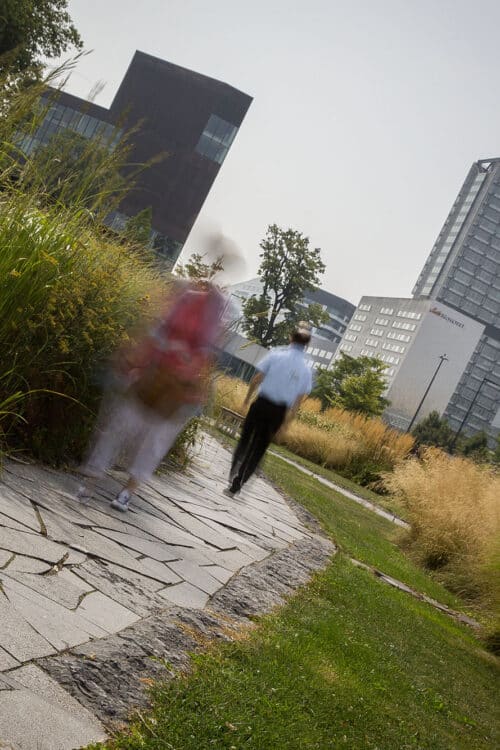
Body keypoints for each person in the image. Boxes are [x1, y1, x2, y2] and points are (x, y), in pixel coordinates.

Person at [77, 281, 225, 512]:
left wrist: (142, 358)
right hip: (167, 381)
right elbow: (194, 353)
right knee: (148, 439)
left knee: (126, 429)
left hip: (164, 380)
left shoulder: (199, 305)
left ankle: (95, 483)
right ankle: (119, 489)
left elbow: (167, 338)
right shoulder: (201, 306)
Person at [226, 323, 313, 496]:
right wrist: (285, 425)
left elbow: (257, 378)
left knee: (245, 440)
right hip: (278, 413)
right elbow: (298, 402)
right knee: (259, 448)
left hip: (261, 404)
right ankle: (240, 480)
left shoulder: (276, 355)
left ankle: (233, 472)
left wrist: (246, 400)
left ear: (290, 338)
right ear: (306, 345)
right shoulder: (306, 370)